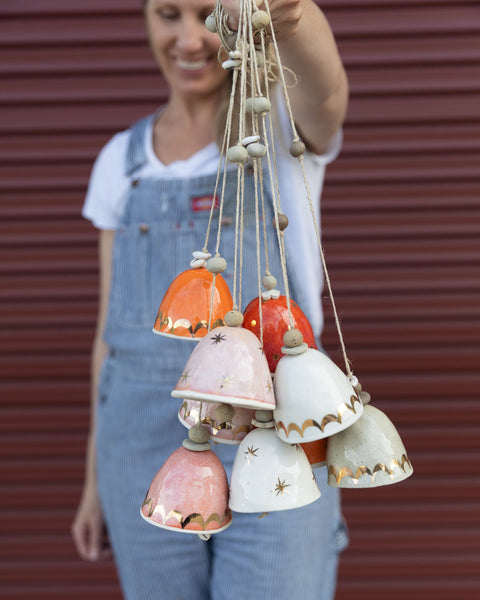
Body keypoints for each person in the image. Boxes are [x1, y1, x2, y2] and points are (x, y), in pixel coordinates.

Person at [72, 0, 349, 599]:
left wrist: (292, 16)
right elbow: (109, 334)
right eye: (168, 14)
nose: (190, 39)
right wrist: (96, 477)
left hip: (275, 431)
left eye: (206, 13)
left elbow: (328, 94)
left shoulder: (272, 128)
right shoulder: (119, 164)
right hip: (140, 436)